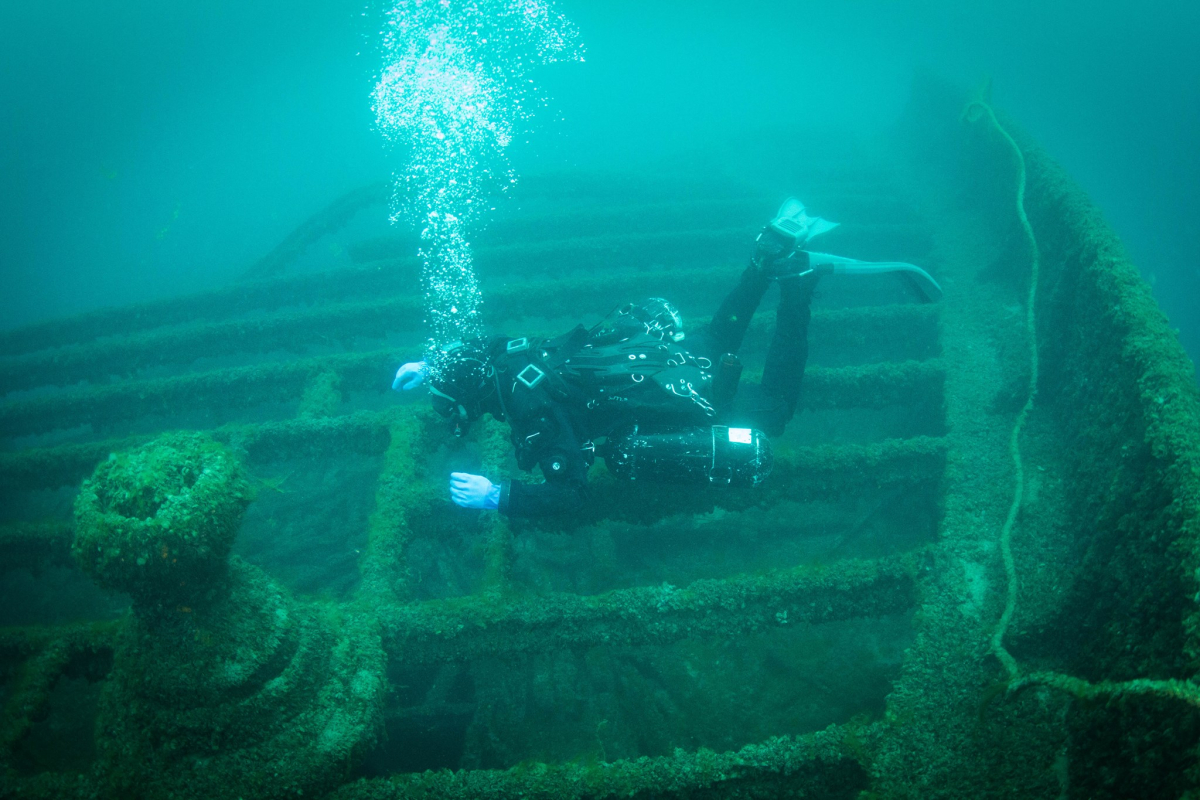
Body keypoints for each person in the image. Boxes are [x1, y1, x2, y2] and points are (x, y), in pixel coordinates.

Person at [392, 198, 941, 519]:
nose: (449, 414)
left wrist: (500, 496)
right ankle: (764, 260)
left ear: (467, 398)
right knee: (712, 341)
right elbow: (481, 347)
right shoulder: (507, 357)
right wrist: (428, 365)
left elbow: (572, 495)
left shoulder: (528, 410)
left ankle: (796, 286)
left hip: (679, 395)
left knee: (771, 409)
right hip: (659, 356)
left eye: (446, 404)